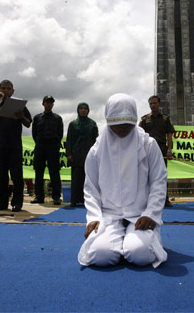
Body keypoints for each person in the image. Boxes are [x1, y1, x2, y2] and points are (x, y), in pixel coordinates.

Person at [78, 93, 168, 268]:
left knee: (139, 254)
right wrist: (94, 217)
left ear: (134, 119)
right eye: (116, 122)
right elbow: (91, 187)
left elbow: (158, 180)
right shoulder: (96, 149)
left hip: (140, 215)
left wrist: (151, 213)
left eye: (128, 122)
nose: (122, 127)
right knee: (100, 255)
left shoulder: (148, 144)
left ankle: (133, 241)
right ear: (108, 119)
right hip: (108, 214)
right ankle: (118, 241)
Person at [0, 79, 31, 212]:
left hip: (14, 146)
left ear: (13, 91)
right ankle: (2, 203)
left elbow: (28, 123)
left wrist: (21, 116)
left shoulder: (19, 105)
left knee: (17, 177)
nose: (5, 91)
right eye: (3, 88)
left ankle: (17, 203)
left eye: (8, 89)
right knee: (1, 177)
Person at [138, 95, 175, 207]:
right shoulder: (145, 119)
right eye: (150, 103)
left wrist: (169, 150)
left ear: (159, 104)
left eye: (154, 103)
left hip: (162, 149)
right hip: (147, 150)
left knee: (161, 174)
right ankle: (147, 200)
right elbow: (139, 134)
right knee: (146, 174)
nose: (152, 105)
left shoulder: (165, 118)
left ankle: (164, 199)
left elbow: (169, 135)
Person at [31, 95, 64, 205]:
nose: (49, 104)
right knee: (38, 172)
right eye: (47, 102)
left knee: (54, 172)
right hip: (40, 146)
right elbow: (34, 134)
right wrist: (40, 143)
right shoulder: (37, 118)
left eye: (51, 102)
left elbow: (60, 134)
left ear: (53, 104)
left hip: (53, 146)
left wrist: (54, 143)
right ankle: (39, 197)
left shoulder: (58, 118)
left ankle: (56, 197)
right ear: (43, 104)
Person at [65, 102, 98, 207]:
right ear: (78, 110)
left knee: (88, 179)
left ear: (88, 110)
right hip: (76, 155)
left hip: (89, 155)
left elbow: (96, 140)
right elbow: (69, 140)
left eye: (85, 108)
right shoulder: (73, 124)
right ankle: (74, 200)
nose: (83, 110)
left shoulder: (92, 124)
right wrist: (69, 154)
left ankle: (87, 200)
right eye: (81, 108)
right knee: (76, 179)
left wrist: (96, 154)